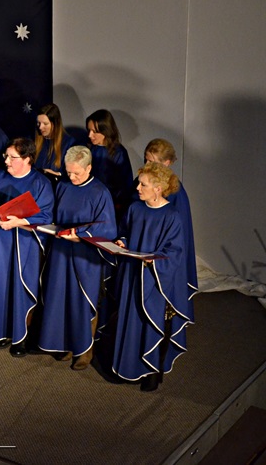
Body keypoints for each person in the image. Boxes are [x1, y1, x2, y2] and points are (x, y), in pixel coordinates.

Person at [112, 162, 194, 392]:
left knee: (150, 321)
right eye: (139, 183)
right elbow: (125, 231)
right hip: (133, 274)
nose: (137, 188)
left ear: (158, 188)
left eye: (143, 185)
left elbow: (175, 252)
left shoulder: (172, 216)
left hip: (154, 279)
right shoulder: (135, 209)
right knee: (130, 319)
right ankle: (127, 367)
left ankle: (150, 371)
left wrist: (153, 261)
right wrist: (122, 241)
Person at [37, 146, 117, 370]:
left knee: (82, 300)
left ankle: (85, 350)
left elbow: (108, 228)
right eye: (68, 172)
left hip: (85, 255)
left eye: (77, 173)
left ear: (89, 168)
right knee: (61, 298)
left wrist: (80, 235)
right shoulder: (63, 185)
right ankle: (65, 343)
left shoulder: (100, 192)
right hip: (61, 251)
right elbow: (54, 215)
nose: (71, 177)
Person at [0, 138, 53, 356]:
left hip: (21, 246)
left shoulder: (40, 183)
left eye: (12, 157)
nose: (6, 161)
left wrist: (19, 222)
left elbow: (46, 215)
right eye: (6, 156)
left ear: (27, 159)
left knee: (17, 289)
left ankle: (19, 337)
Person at [144, 138, 198, 295]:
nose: (147, 165)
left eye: (151, 162)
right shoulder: (141, 182)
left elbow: (179, 231)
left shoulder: (175, 191)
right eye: (146, 160)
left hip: (161, 248)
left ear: (166, 163)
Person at [85, 109, 133, 227]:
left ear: (105, 130)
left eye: (94, 131)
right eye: (89, 130)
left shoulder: (119, 153)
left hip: (109, 208)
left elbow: (124, 186)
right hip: (87, 203)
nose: (90, 135)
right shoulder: (88, 148)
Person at [34, 103, 76, 186]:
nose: (40, 127)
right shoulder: (34, 141)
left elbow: (74, 173)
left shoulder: (69, 143)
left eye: (45, 124)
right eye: (38, 123)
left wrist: (57, 175)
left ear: (55, 124)